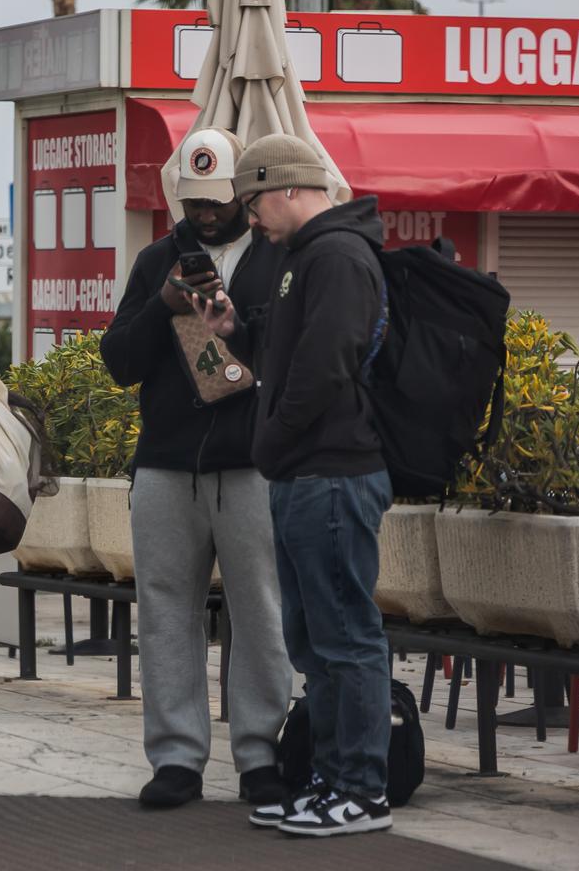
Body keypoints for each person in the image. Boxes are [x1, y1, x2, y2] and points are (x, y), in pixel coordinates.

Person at [193, 132, 393, 838]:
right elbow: (289, 352)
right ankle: (332, 779)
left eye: (252, 202)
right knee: (314, 642)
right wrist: (236, 334)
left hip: (332, 472)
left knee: (344, 637)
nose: (250, 218)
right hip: (306, 472)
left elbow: (325, 364)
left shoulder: (336, 255)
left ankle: (362, 791)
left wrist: (268, 443)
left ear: (284, 187)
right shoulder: (300, 258)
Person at [100, 128, 291, 811]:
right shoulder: (158, 259)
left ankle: (259, 754)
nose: (205, 213)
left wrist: (237, 325)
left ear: (243, 190)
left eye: (217, 199)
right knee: (163, 613)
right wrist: (164, 307)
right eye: (194, 200)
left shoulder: (276, 255)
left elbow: (290, 353)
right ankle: (176, 757)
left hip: (250, 463)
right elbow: (118, 360)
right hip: (165, 462)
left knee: (260, 613)